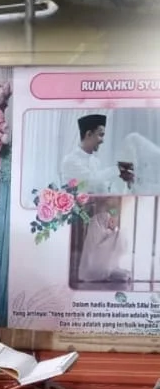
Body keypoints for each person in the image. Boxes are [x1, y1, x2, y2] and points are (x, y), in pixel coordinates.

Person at [61, 113, 132, 284]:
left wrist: (123, 180)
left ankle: (103, 269)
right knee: (98, 228)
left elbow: (105, 190)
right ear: (88, 134)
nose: (102, 140)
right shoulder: (70, 161)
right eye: (100, 134)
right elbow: (91, 181)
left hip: (99, 213)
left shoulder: (95, 163)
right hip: (79, 214)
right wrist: (116, 169)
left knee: (120, 235)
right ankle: (90, 271)